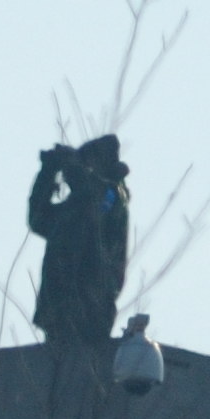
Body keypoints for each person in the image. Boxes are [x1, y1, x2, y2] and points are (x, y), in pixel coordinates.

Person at [27, 135, 130, 345]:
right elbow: (38, 219)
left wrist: (71, 165)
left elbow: (93, 196)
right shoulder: (73, 209)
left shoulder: (113, 196)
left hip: (92, 307)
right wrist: (47, 172)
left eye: (87, 164)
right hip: (58, 308)